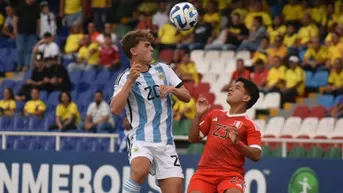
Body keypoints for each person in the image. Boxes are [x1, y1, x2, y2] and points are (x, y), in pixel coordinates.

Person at [110, 29, 191, 193]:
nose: (151, 49)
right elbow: (115, 109)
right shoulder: (124, 78)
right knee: (140, 171)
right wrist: (130, 81)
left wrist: (171, 89)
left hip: (166, 142)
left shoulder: (164, 69)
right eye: (146, 46)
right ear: (133, 51)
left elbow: (187, 96)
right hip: (141, 138)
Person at [188, 77, 261, 193]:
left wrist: (238, 143)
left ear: (246, 97)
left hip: (231, 174)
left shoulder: (250, 125)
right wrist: (197, 115)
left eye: (237, 88)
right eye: (232, 86)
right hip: (204, 173)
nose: (231, 89)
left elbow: (257, 155)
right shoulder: (214, 114)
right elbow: (192, 139)